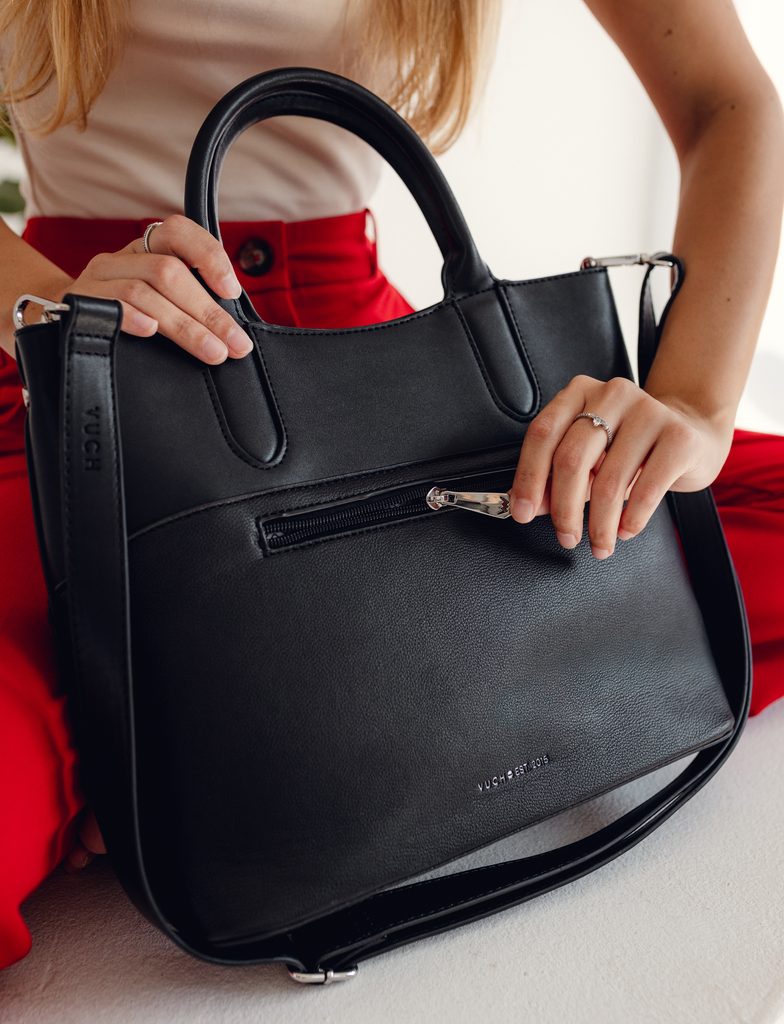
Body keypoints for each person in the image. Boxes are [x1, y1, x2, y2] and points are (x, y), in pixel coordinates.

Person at [0, 0, 782, 972]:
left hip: (373, 356)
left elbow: (725, 101)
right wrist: (43, 300)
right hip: (90, 378)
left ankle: (191, 745)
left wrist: (695, 405)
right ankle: (164, 747)